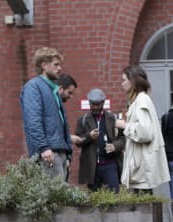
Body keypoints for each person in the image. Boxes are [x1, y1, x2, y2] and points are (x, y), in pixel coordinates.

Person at [20, 47, 72, 180]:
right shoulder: (33, 87)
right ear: (44, 65)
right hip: (48, 153)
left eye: (60, 65)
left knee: (60, 197)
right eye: (56, 64)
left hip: (59, 152)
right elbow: (33, 121)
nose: (60, 68)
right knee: (53, 198)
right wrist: (43, 148)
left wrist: (68, 155)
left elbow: (62, 122)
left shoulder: (52, 89)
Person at [115, 65, 170, 192]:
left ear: (133, 81)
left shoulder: (141, 101)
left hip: (143, 166)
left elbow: (145, 133)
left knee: (143, 206)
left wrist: (124, 125)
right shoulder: (139, 100)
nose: (121, 84)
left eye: (124, 80)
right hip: (141, 165)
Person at [74, 88, 124, 192]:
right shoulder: (82, 120)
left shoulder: (112, 118)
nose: (95, 107)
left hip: (110, 164)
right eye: (92, 104)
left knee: (114, 193)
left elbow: (122, 139)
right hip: (92, 166)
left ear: (103, 103)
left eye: (98, 104)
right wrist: (89, 137)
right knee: (94, 198)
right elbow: (78, 141)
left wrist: (115, 146)